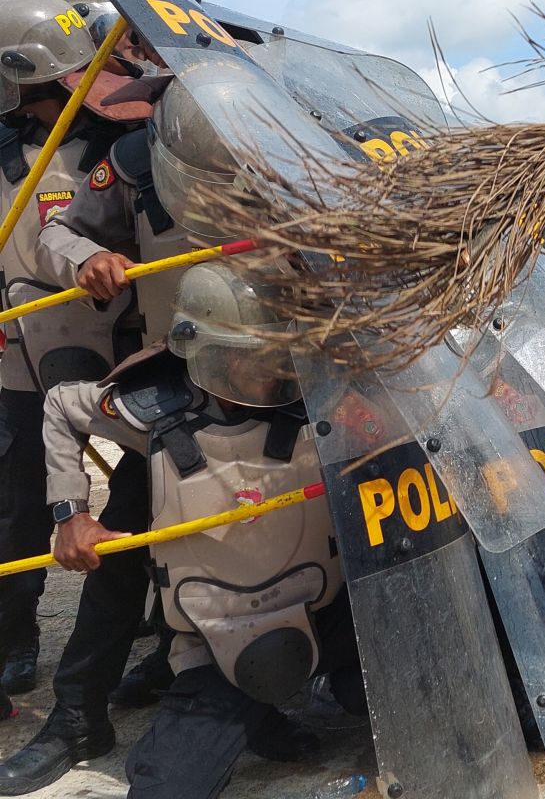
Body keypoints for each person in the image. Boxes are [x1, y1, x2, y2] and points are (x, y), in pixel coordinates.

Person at [0, 68, 296, 795]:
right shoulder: (132, 162)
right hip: (184, 391)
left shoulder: (297, 166)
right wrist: (89, 260)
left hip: (288, 393)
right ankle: (77, 716)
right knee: (126, 548)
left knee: (275, 547)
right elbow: (57, 225)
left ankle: (243, 695)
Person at [40, 263, 364, 797]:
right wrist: (70, 512)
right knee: (171, 788)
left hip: (320, 612)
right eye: (251, 356)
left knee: (412, 697)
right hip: (221, 633)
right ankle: (222, 722)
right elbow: (59, 404)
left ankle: (268, 713)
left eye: (277, 351)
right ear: (208, 349)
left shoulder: (316, 391)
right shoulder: (151, 408)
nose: (270, 369)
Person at [0, 0, 150, 702]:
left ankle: (157, 616)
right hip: (15, 350)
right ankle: (13, 638)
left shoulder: (120, 144)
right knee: (20, 497)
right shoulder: (3, 155)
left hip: (120, 336)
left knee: (145, 484)